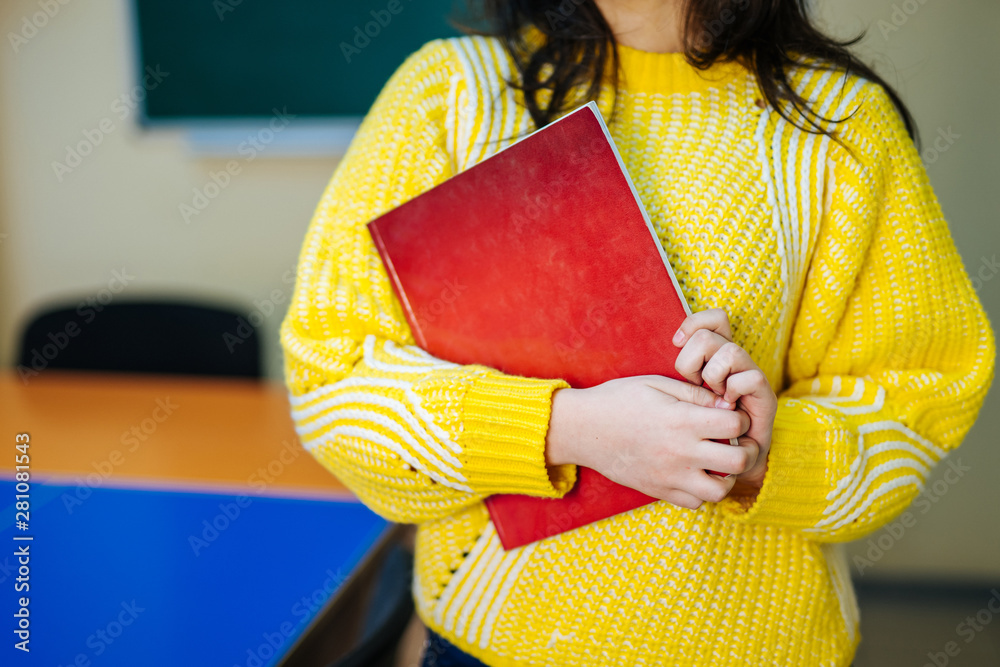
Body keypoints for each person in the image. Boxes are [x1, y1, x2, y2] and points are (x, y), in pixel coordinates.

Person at [280, 1, 995, 664]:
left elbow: (915, 399)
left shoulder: (841, 124)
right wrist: (567, 427)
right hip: (495, 645)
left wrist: (765, 452)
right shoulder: (448, 97)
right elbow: (333, 382)